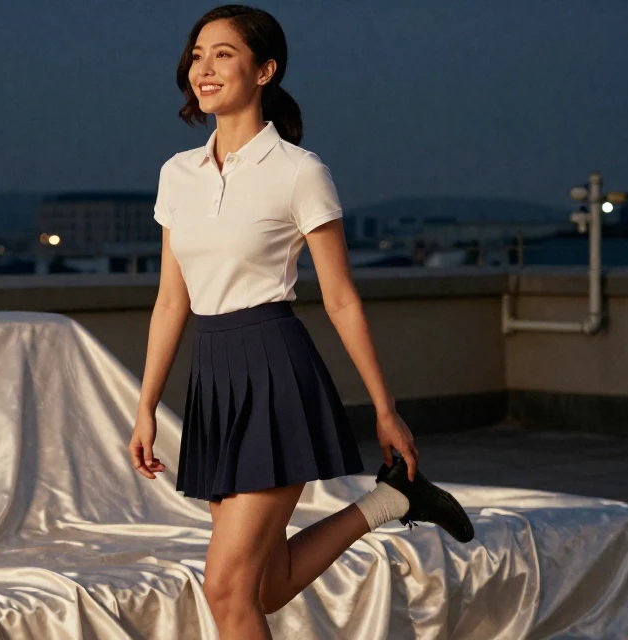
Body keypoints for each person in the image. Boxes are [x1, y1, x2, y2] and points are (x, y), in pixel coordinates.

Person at [128, 5, 474, 638]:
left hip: (272, 370)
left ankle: (395, 496)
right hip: (213, 375)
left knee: (226, 590)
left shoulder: (299, 171)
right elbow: (171, 300)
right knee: (268, 581)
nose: (204, 68)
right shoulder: (177, 174)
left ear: (265, 70)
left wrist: (385, 409)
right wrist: (147, 405)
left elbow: (341, 298)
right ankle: (393, 502)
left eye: (224, 54)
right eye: (198, 54)